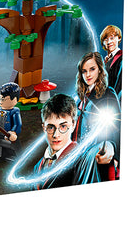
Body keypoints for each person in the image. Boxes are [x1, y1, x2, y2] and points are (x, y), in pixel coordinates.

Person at [72, 52, 120, 181]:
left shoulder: (108, 93)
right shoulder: (80, 98)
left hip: (100, 154)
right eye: (84, 71)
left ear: (99, 70)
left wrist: (115, 154)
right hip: (80, 155)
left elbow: (117, 125)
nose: (88, 75)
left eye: (92, 69)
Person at [34, 94, 78, 189]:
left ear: (73, 125)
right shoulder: (37, 166)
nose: (56, 135)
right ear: (44, 127)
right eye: (50, 127)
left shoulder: (80, 160)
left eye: (63, 126)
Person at [100, 24, 122, 99]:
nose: (109, 42)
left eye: (112, 38)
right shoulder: (103, 62)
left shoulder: (121, 58)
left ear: (119, 38)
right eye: (106, 40)